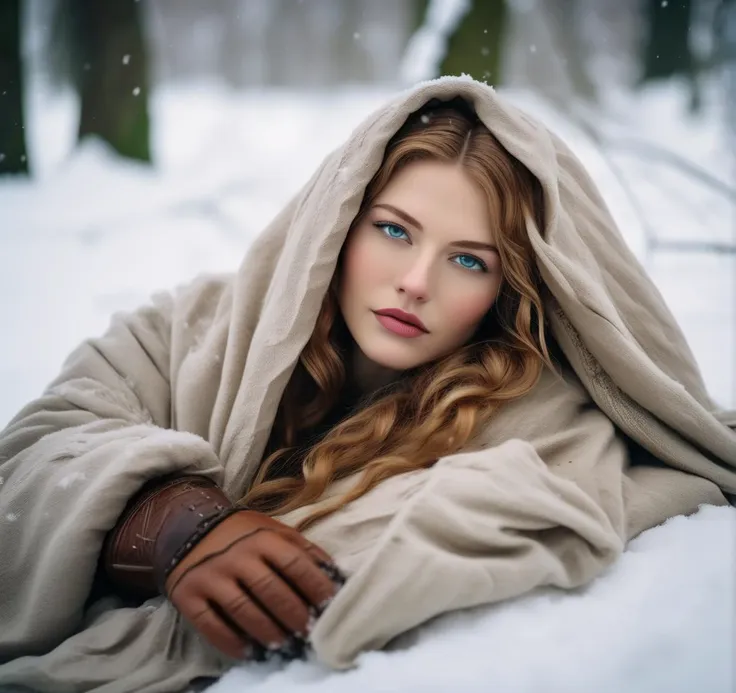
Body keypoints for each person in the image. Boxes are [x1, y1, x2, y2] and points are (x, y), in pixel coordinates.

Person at [0, 77, 734, 693]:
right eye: (394, 230)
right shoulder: (196, 324)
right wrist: (173, 523)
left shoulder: (537, 418)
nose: (415, 282)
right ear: (339, 223)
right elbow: (43, 442)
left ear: (511, 286)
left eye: (469, 260)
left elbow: (421, 550)